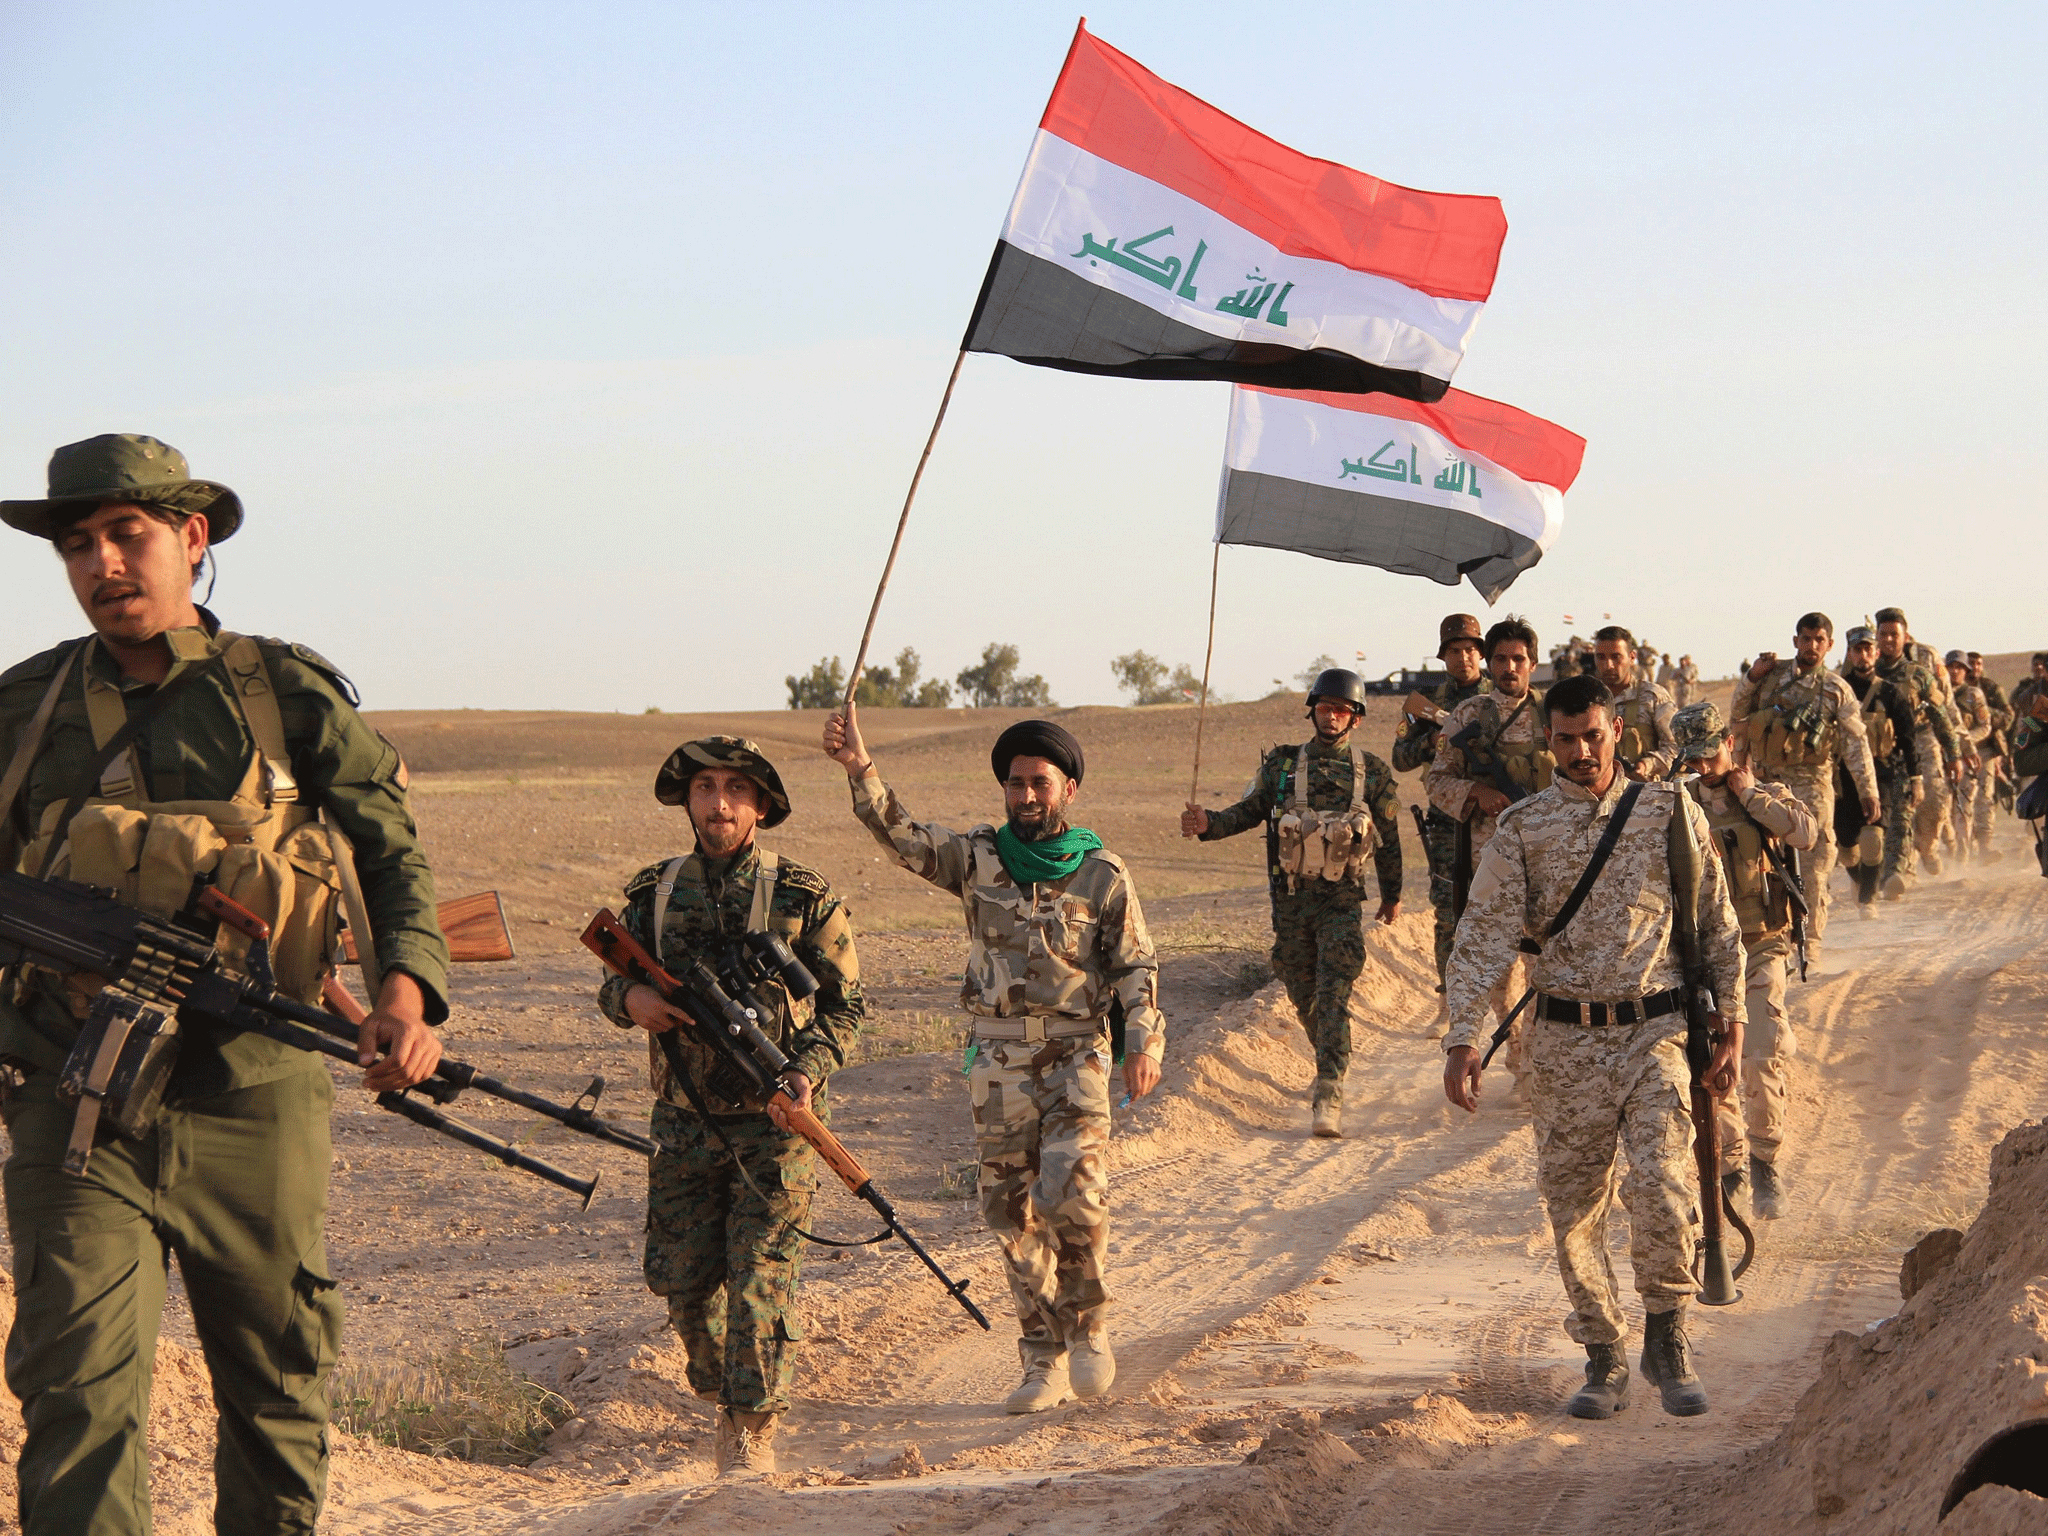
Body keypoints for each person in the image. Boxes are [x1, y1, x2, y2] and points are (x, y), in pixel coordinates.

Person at [0, 433, 449, 1535]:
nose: (104, 563)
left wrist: (408, 993)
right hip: (75, 1101)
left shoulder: (286, 692)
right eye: (78, 545)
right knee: (78, 1395)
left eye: (128, 535)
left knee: (276, 1386)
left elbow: (388, 850)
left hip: (254, 1090)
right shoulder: (24, 711)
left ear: (191, 540)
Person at [823, 709, 1162, 1414]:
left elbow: (1135, 966)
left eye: (1040, 783)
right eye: (1015, 784)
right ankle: (1042, 1358)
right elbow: (905, 841)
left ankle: (1090, 1323)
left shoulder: (1103, 874)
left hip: (1076, 1055)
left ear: (1069, 789)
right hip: (999, 1057)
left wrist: (1143, 1042)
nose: (1026, 796)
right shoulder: (979, 857)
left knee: (1072, 1188)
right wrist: (862, 771)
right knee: (1010, 1213)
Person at [1442, 672, 1744, 1421]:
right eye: (1568, 739)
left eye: (1595, 736)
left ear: (1618, 733)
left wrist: (1732, 1019)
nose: (1582, 751)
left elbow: (1715, 920)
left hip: (1657, 1033)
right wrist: (1462, 1038)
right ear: (1550, 740)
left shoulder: (1668, 812)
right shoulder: (1522, 830)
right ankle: (1604, 1353)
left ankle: (1669, 1337)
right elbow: (1480, 937)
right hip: (1567, 1043)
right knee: (1574, 1206)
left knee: (1664, 1184)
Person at [597, 736, 862, 1476]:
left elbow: (847, 1009)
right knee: (681, 1283)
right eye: (705, 787)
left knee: (757, 1284)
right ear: (686, 798)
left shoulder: (805, 897)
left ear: (761, 806)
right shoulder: (654, 893)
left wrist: (805, 1073)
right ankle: (725, 1389)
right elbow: (609, 978)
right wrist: (632, 998)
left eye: (735, 790)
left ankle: (750, 1428)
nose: (718, 802)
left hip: (775, 1127)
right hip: (682, 1120)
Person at [1184, 667, 1401, 1136]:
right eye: (1324, 708)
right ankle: (1331, 1052)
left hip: (1342, 901)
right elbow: (1248, 811)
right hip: (1290, 903)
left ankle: (1329, 1089)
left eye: (1341, 710)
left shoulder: (1374, 773)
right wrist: (1208, 824)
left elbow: (1390, 838)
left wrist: (1393, 896)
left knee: (1333, 990)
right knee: (1302, 991)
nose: (1331, 717)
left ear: (1356, 718)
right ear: (1313, 712)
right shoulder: (1282, 765)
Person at [1672, 703, 1816, 1219]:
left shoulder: (1762, 795)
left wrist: (1748, 794)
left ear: (1728, 744)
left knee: (1758, 1054)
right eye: (1694, 760)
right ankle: (1730, 1170)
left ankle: (1765, 1162)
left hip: (1760, 945)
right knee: (1711, 1066)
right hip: (1703, 959)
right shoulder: (1676, 804)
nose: (1704, 768)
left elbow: (1804, 832)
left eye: (1711, 755)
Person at [1427, 618, 1549, 1086]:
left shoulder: (1551, 714)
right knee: (1499, 970)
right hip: (1488, 861)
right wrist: (1478, 793)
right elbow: (1437, 782)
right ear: (1489, 663)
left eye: (1518, 659)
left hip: (1546, 861)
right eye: (1500, 658)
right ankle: (1517, 1045)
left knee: (1546, 964)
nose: (1509, 667)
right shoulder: (1469, 716)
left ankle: (1536, 1068)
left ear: (1532, 665)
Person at [1728, 613, 1879, 971]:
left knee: (1814, 864)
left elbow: (1856, 743)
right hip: (1764, 781)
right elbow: (1738, 714)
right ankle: (1769, 939)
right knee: (1758, 861)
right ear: (1795, 641)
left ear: (1828, 646)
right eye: (1805, 638)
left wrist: (1867, 790)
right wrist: (1751, 678)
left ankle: (1810, 940)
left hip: (1813, 783)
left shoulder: (1835, 689)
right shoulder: (1770, 677)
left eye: (1819, 640)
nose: (1811, 646)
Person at [1390, 616, 1490, 986]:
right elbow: (1399, 759)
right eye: (1454, 651)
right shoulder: (1425, 703)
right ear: (1443, 656)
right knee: (1448, 911)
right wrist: (1430, 743)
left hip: (1494, 814)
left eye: (1469, 650)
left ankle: (1500, 997)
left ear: (1480, 654)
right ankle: (1448, 996)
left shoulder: (1501, 696)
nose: (1463, 658)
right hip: (1448, 817)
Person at [1873, 609, 1961, 888]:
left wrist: (1954, 754)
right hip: (1883, 746)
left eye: (1894, 635)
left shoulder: (1919, 674)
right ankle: (1896, 873)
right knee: (1899, 810)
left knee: (1934, 802)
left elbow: (1940, 715)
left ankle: (1928, 846)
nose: (1888, 640)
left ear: (1905, 637)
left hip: (1921, 739)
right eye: (1883, 634)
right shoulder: (1866, 673)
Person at [1838, 625, 1923, 909]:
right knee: (1846, 849)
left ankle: (1868, 899)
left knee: (1873, 837)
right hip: (1842, 778)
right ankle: (1860, 878)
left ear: (1876, 653)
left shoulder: (1890, 693)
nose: (1863, 655)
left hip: (1881, 774)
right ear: (1850, 653)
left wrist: (1916, 778)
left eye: (1868, 649)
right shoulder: (1836, 690)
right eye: (1857, 650)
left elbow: (1908, 737)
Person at [1590, 625, 1678, 780]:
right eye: (1601, 657)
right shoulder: (1586, 699)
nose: (1608, 665)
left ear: (1632, 657)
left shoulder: (1652, 696)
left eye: (1616, 657)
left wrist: (1647, 765)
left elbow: (1676, 747)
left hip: (1645, 794)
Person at [1944, 652, 1993, 865]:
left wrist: (1965, 743)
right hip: (1939, 758)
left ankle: (1962, 859)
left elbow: (1985, 726)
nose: (1954, 671)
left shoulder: (1974, 695)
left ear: (1966, 671)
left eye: (1959, 667)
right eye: (1951, 666)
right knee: (1942, 810)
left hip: (1967, 759)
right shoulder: (1937, 694)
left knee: (1964, 807)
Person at [1968, 652, 2010, 851]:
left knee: (1984, 798)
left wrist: (1984, 711)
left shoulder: (1991, 689)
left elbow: (2009, 717)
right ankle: (1963, 848)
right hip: (1958, 751)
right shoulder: (1953, 688)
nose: (1974, 667)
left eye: (1978, 664)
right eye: (1970, 664)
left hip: (1986, 749)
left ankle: (1985, 847)